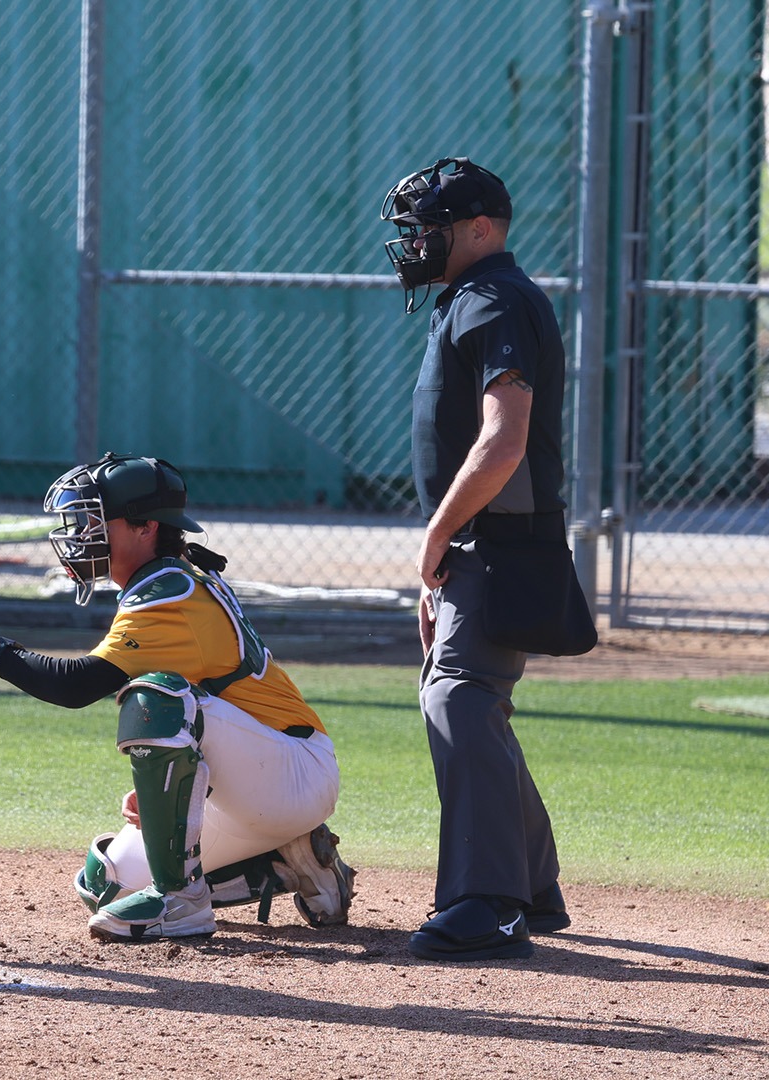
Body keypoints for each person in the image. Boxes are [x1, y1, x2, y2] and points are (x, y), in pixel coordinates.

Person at [0, 454, 355, 942]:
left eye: (93, 519)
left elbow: (75, 686)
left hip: (292, 770)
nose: (80, 532)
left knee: (154, 697)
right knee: (106, 883)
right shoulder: (167, 579)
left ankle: (180, 902)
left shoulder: (169, 594)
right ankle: (289, 862)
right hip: (261, 777)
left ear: (145, 526)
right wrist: (176, 792)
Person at [381, 157, 571, 961]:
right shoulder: (473, 297)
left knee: (459, 700)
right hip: (480, 547)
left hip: (495, 544)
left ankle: (489, 905)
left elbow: (503, 441)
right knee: (465, 700)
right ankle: (525, 886)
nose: (417, 241)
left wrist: (437, 541)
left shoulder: (494, 297)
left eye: (432, 227)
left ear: (482, 229)